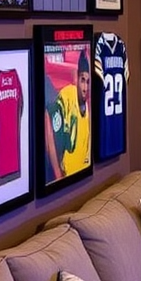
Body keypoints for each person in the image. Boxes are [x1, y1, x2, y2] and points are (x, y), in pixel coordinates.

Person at [44, 47, 91, 182]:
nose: (85, 88)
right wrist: (58, 173)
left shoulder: (87, 104)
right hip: (66, 174)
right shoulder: (67, 96)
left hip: (82, 175)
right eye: (82, 80)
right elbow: (50, 133)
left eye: (87, 82)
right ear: (76, 78)